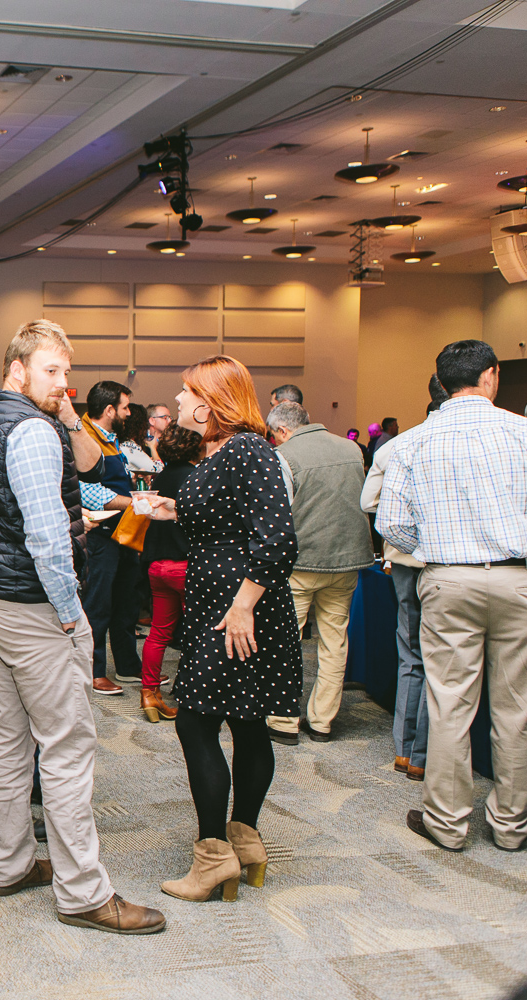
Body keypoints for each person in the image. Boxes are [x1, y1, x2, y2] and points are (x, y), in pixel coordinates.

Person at [0, 318, 163, 934]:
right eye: (51, 371)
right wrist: (73, 615)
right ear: (16, 369)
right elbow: (47, 537)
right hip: (31, 607)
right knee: (68, 748)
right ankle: (83, 893)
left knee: (9, 736)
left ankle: (9, 862)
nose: (62, 384)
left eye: (67, 372)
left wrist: (67, 414)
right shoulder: (30, 430)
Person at [378, 339, 527, 853]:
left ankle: (447, 822)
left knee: (449, 704)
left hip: (449, 579)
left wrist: (438, 548)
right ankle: (511, 826)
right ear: (491, 375)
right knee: (519, 709)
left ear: (441, 383)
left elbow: (391, 523)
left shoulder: (413, 442)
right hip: (522, 580)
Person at [144, 355, 300, 903]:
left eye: (187, 393)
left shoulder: (248, 449)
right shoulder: (221, 451)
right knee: (247, 721)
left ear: (211, 402)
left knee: (196, 724)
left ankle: (214, 857)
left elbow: (278, 538)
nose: (179, 400)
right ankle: (245, 842)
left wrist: (242, 607)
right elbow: (228, 518)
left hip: (238, 607)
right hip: (224, 601)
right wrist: (175, 509)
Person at [261, 401, 371, 745]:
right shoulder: (352, 449)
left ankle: (283, 719)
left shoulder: (283, 455)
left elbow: (278, 511)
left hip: (301, 563)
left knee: (284, 641)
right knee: (334, 642)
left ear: (282, 430)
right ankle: (322, 720)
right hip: (346, 560)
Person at [362, 375, 449, 781]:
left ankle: (405, 749)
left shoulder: (397, 445)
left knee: (411, 653)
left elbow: (369, 502)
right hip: (450, 564)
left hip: (403, 559)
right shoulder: (468, 442)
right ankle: (424, 754)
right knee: (442, 658)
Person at [138, 423, 202, 723]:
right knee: (198, 633)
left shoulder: (159, 477)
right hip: (185, 567)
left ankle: (149, 693)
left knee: (158, 632)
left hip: (156, 566)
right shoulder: (198, 477)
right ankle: (194, 694)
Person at [79, 380, 138, 695]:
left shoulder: (111, 439)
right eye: (125, 407)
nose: (129, 413)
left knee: (126, 603)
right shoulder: (86, 438)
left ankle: (128, 666)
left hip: (123, 531)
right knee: (98, 605)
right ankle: (93, 670)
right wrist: (135, 503)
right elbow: (87, 492)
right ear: (110, 409)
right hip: (100, 532)